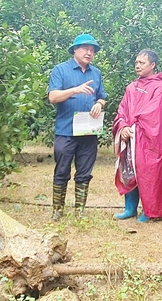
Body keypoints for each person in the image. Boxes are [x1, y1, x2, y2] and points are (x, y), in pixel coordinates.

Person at [112, 49, 162, 222]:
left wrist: (133, 128)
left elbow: (154, 114)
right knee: (129, 171)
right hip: (130, 137)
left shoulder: (158, 87)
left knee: (147, 171)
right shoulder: (131, 87)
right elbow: (122, 110)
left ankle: (150, 210)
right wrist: (123, 126)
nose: (138, 65)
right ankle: (130, 208)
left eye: (142, 62)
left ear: (153, 65)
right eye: (136, 62)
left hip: (147, 140)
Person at [48, 33, 107, 220]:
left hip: (88, 130)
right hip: (65, 130)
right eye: (85, 49)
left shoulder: (96, 73)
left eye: (92, 50)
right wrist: (75, 89)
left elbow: (102, 97)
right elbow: (53, 97)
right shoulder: (61, 70)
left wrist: (99, 104)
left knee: (84, 172)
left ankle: (79, 211)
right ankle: (58, 210)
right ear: (75, 49)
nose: (89, 53)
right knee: (62, 170)